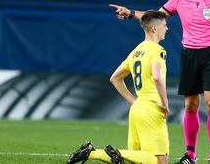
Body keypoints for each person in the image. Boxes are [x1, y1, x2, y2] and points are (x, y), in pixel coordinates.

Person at [109, 0, 210, 164]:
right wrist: (131, 13)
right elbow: (156, 18)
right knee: (190, 105)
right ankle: (190, 155)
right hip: (189, 53)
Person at [66, 10, 170, 164]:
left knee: (133, 159)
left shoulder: (136, 52)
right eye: (164, 25)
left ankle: (90, 153)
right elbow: (157, 76)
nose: (166, 28)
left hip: (137, 108)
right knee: (160, 160)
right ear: (154, 28)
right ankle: (113, 153)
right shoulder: (158, 50)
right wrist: (165, 103)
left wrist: (134, 102)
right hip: (152, 109)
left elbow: (115, 78)